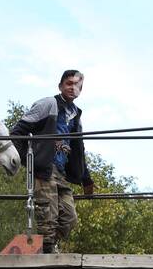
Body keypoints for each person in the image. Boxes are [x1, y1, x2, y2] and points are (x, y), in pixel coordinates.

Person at [12, 69, 95, 253]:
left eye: (77, 85)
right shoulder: (48, 104)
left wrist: (86, 179)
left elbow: (78, 152)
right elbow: (17, 132)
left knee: (69, 218)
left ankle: (44, 248)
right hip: (45, 169)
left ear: (81, 90)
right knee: (48, 217)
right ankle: (47, 255)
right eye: (69, 83)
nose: (73, 88)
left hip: (62, 172)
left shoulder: (75, 116)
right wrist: (26, 161)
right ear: (60, 86)